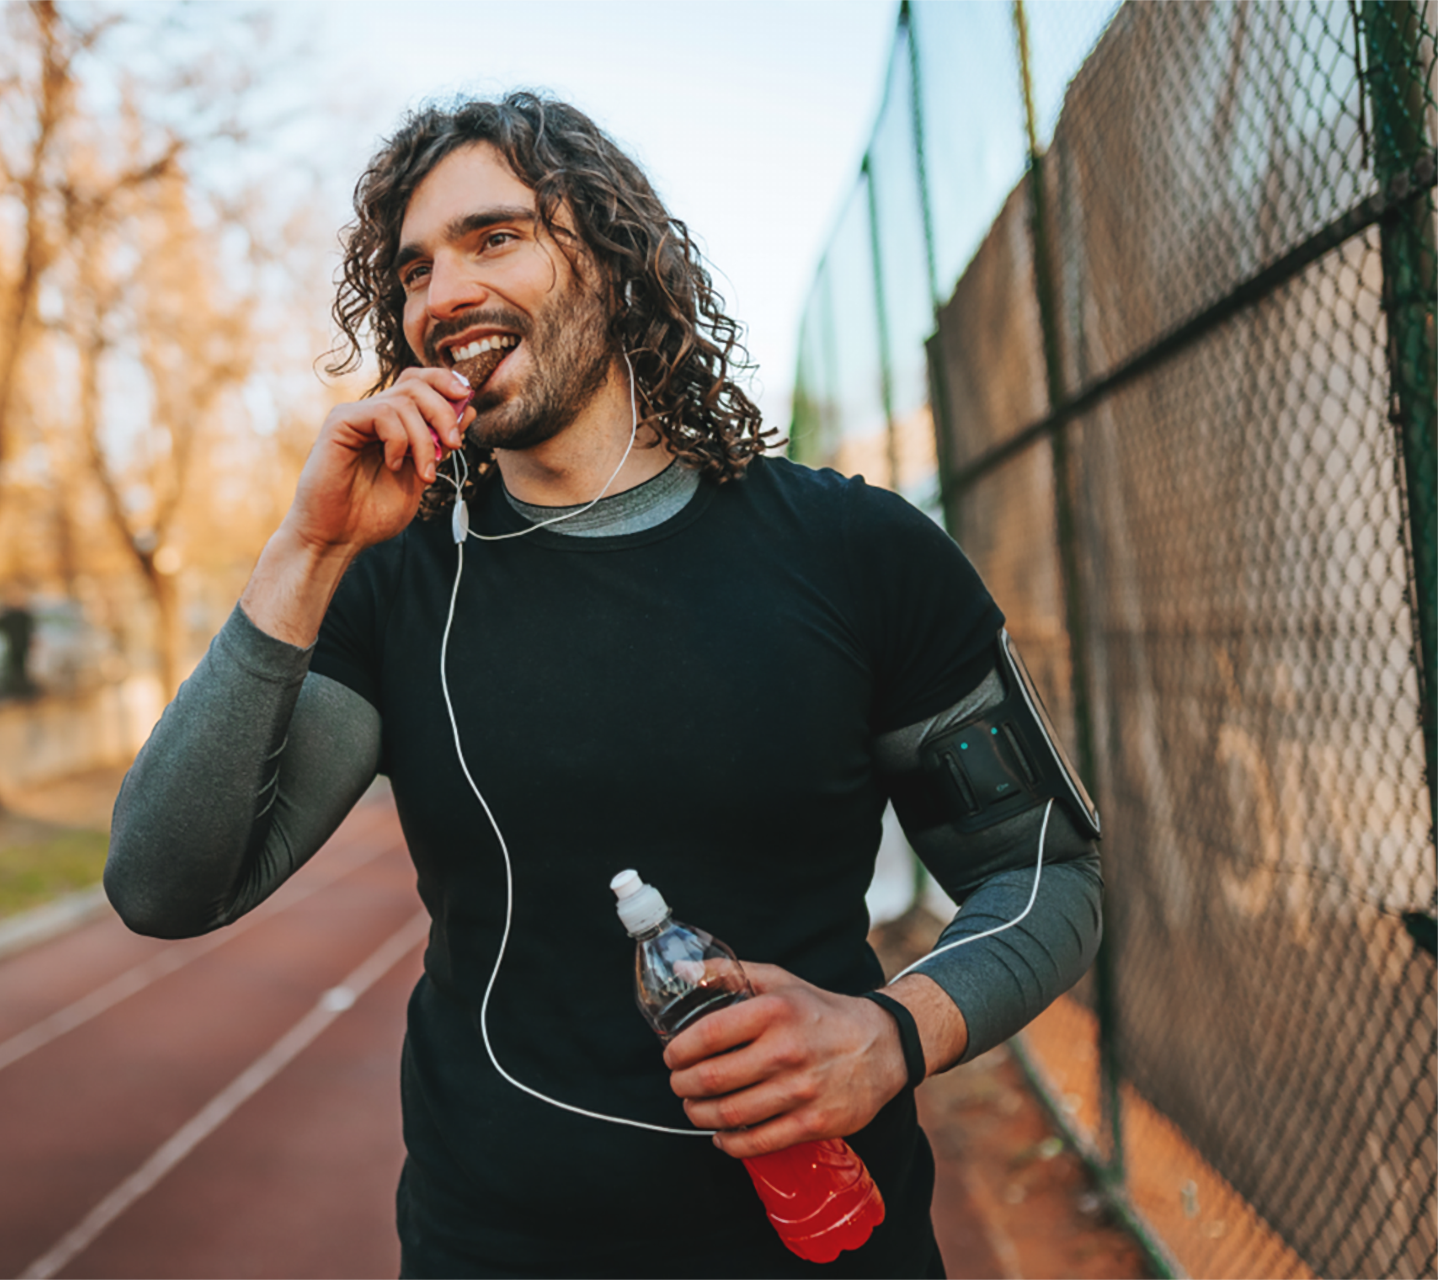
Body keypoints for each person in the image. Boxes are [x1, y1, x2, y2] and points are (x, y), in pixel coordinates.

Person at [105, 93, 1103, 1279]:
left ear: (616, 261)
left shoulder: (856, 551)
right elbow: (164, 882)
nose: (442, 295)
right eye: (413, 270)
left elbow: (1047, 869)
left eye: (495, 238)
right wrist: (308, 550)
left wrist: (893, 1032)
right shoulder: (396, 585)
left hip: (825, 1240)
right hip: (497, 1244)